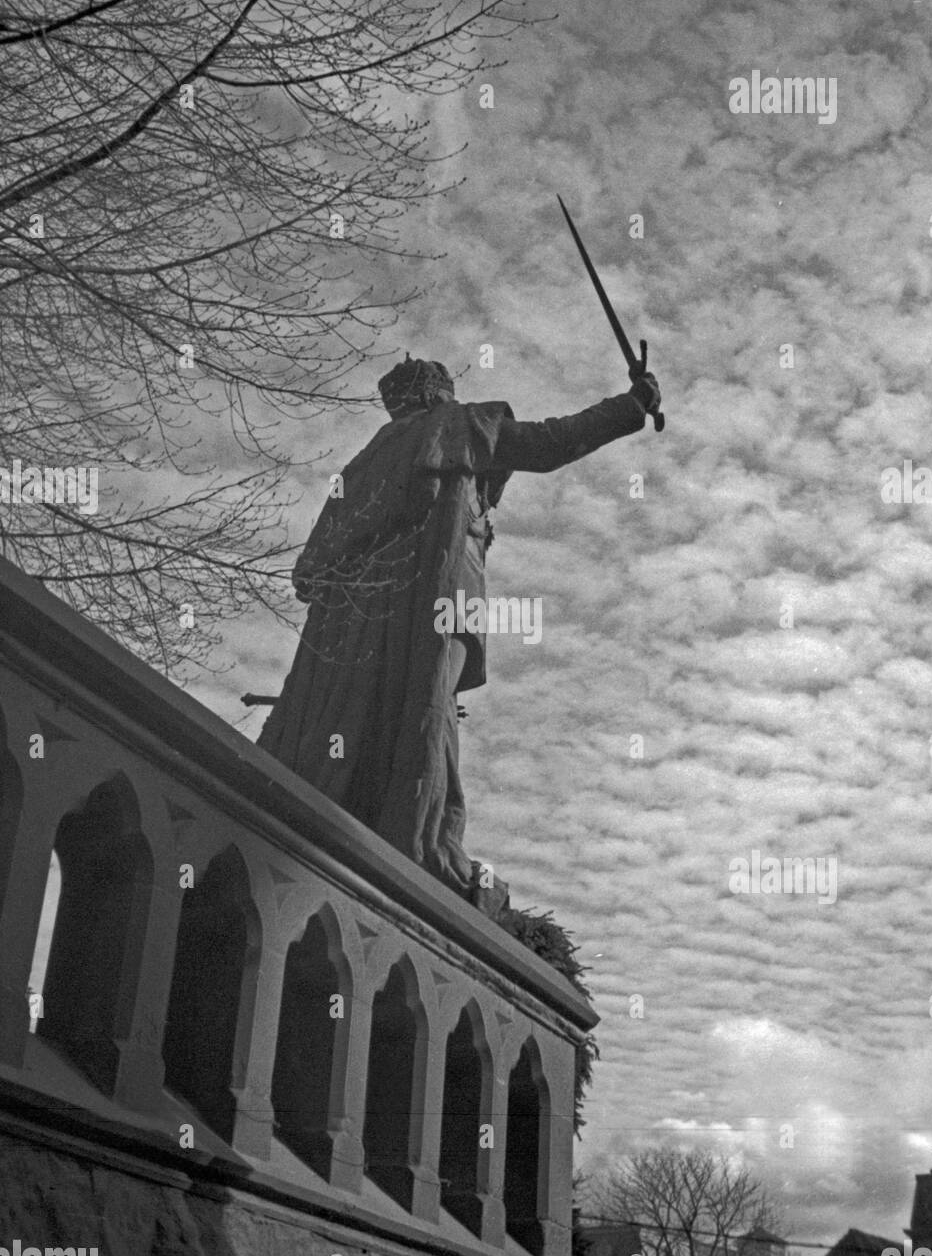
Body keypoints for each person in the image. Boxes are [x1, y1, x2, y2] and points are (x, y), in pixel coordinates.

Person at [258, 356, 662, 917]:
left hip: (357, 628)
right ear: (438, 393)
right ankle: (421, 843)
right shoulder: (460, 425)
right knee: (425, 708)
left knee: (366, 714)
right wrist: (632, 406)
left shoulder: (363, 465)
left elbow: (311, 572)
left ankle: (367, 819)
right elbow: (550, 444)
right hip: (434, 594)